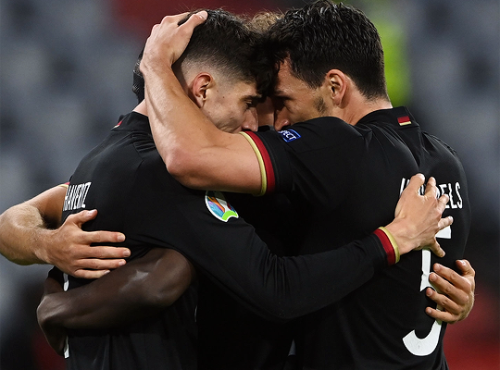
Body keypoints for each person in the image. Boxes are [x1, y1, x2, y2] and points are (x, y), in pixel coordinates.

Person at [0, 9, 456, 370]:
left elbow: (11, 220)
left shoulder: (100, 162)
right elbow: (276, 289)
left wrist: (49, 266)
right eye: (249, 103)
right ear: (201, 89)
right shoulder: (162, 174)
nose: (255, 125)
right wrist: (391, 243)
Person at [138, 1, 473, 368]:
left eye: (283, 101)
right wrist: (460, 300)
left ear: (334, 86)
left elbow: (190, 157)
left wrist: (155, 64)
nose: (279, 122)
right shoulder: (445, 161)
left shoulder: (338, 147)